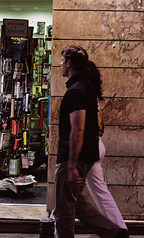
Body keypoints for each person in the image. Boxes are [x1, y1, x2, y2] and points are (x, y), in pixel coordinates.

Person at [52, 45, 126, 238]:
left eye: (62, 61)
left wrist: (71, 165)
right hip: (84, 155)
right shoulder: (87, 88)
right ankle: (114, 232)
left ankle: (114, 232)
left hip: (73, 158)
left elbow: (78, 129)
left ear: (69, 63)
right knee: (75, 203)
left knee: (63, 211)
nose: (60, 65)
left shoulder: (76, 91)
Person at [84, 60, 127, 230]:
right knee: (100, 193)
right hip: (97, 144)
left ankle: (118, 229)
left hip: (90, 147)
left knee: (70, 195)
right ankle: (117, 229)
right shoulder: (93, 94)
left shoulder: (84, 93)